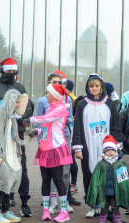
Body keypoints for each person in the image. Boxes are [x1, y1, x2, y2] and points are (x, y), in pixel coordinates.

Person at [0, 57, 34, 217]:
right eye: (8, 71)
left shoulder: (19, 86)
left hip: (15, 131)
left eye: (14, 71)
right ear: (2, 71)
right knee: (0, 168)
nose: (11, 74)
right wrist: (2, 112)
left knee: (20, 167)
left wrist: (21, 118)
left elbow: (28, 106)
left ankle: (24, 201)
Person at [72, 73, 122, 218]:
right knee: (90, 176)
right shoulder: (82, 105)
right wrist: (78, 148)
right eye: (91, 86)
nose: (94, 89)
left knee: (107, 177)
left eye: (97, 86)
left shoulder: (109, 104)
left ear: (101, 88)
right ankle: (93, 206)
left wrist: (117, 145)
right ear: (88, 88)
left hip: (107, 148)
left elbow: (116, 126)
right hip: (89, 147)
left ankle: (106, 206)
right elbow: (78, 128)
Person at [27, 84, 73, 222]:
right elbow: (48, 127)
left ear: (54, 96)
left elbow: (46, 120)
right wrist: (38, 132)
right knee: (45, 180)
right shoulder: (51, 108)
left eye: (48, 93)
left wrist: (28, 119)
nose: (46, 95)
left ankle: (64, 211)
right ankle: (46, 210)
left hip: (56, 148)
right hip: (45, 148)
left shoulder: (60, 109)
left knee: (58, 180)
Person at [36, 72, 79, 215]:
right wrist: (40, 140)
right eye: (54, 82)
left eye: (59, 82)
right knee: (48, 176)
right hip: (46, 141)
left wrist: (65, 120)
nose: (57, 84)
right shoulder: (43, 101)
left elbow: (69, 118)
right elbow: (42, 123)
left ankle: (64, 203)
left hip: (62, 138)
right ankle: (52, 204)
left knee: (63, 173)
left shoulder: (66, 100)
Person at [0, 90, 28, 223]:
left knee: (10, 181)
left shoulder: (12, 117)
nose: (18, 105)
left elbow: (15, 135)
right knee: (2, 181)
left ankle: (5, 210)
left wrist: (19, 148)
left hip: (11, 152)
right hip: (2, 154)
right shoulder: (1, 115)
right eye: (16, 102)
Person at [86, 135, 129, 223]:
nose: (110, 152)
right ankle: (103, 218)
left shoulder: (120, 164)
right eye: (107, 151)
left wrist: (123, 189)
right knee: (104, 205)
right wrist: (96, 188)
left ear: (115, 150)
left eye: (112, 150)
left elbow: (124, 181)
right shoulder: (100, 164)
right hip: (103, 190)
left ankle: (116, 218)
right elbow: (95, 178)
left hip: (116, 191)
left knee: (115, 205)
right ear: (104, 152)